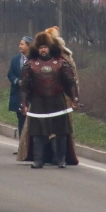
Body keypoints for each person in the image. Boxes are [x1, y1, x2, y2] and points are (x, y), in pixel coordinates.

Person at [18, 31, 81, 169]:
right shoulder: (30, 64)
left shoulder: (61, 63)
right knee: (37, 133)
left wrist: (75, 99)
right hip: (38, 101)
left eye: (45, 47)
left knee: (61, 132)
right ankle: (38, 160)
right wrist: (23, 104)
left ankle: (61, 159)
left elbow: (71, 83)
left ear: (50, 47)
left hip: (57, 100)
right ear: (37, 49)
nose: (43, 50)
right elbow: (24, 87)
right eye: (40, 47)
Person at [7, 36, 32, 135]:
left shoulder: (35, 59)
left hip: (32, 97)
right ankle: (22, 147)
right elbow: (10, 74)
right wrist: (17, 81)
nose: (19, 46)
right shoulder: (15, 59)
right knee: (21, 121)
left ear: (29, 46)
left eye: (22, 44)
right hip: (18, 95)